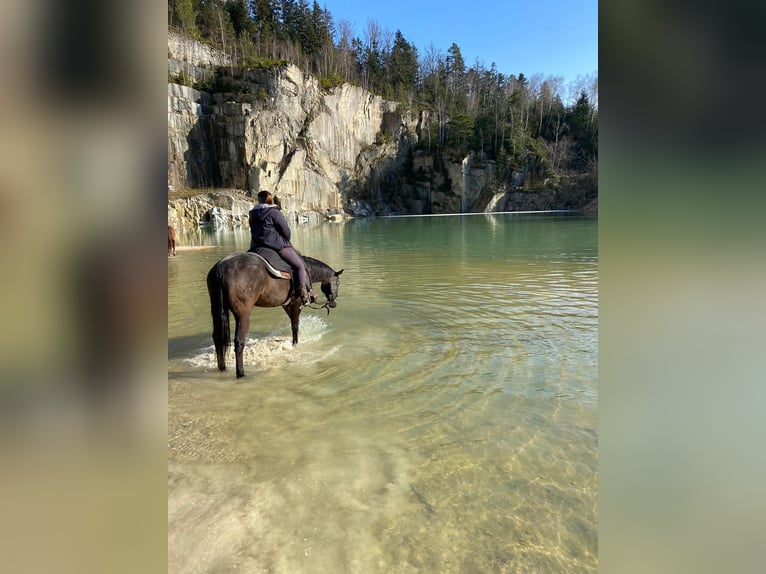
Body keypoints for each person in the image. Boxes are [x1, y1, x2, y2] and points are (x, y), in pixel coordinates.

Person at [248, 190, 317, 305]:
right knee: (300, 266)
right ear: (270, 199)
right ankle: (304, 295)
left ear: (258, 200)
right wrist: (285, 240)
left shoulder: (252, 213)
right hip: (276, 246)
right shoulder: (274, 212)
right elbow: (286, 231)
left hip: (256, 246)